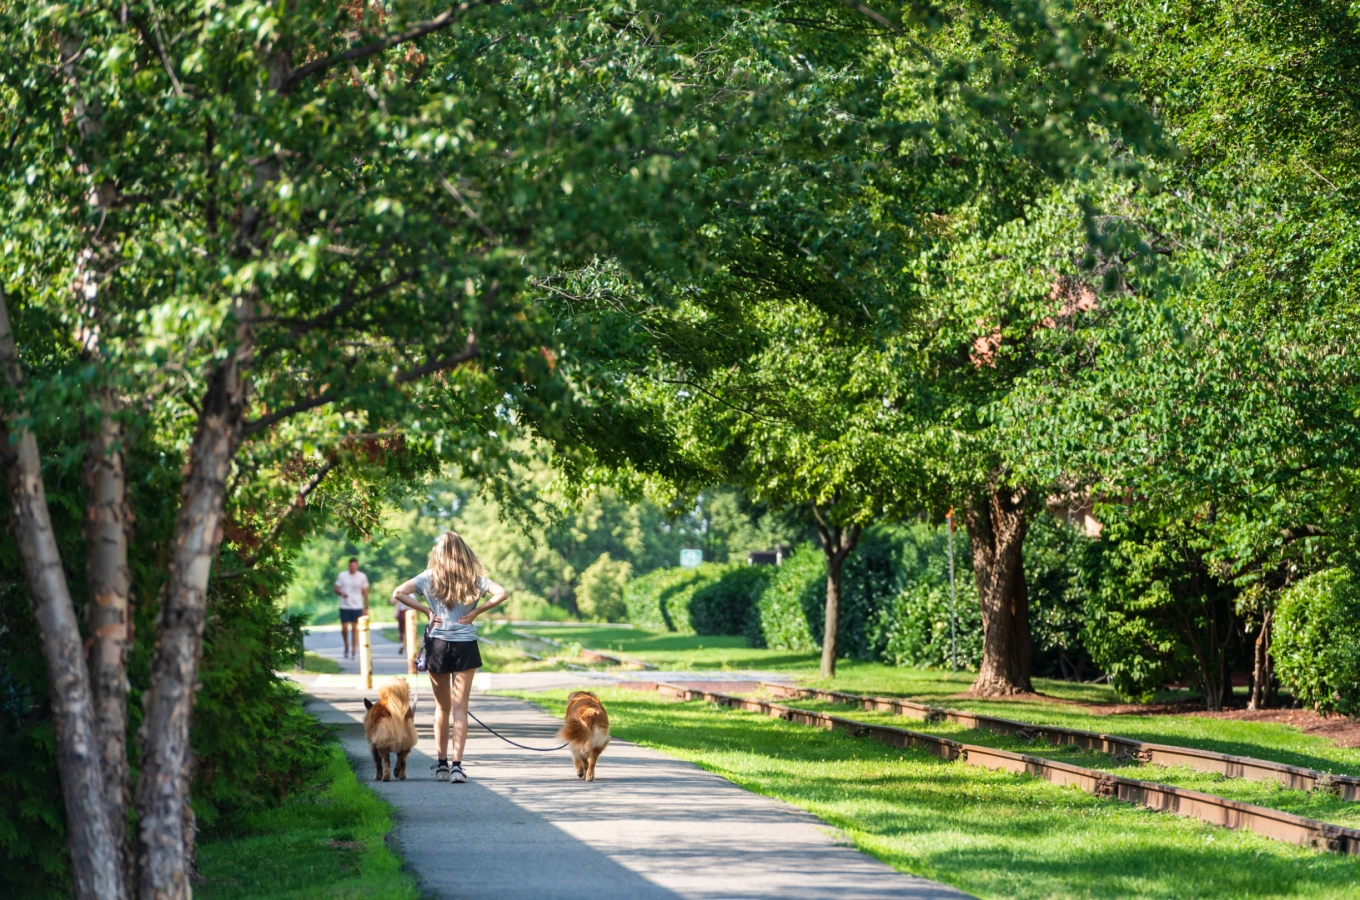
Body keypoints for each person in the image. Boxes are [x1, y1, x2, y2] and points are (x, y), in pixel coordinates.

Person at [392, 532, 509, 783]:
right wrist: (477, 610)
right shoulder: (474, 579)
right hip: (465, 644)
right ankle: (457, 766)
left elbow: (398, 593)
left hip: (438, 644)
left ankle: (442, 765)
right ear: (463, 551)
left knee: (442, 708)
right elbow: (503, 593)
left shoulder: (428, 577)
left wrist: (426, 610)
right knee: (460, 709)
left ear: (439, 552)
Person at [334, 557, 370, 659]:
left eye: (354, 565)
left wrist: (366, 607)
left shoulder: (362, 576)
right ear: (348, 566)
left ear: (357, 566)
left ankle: (354, 649)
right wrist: (341, 593)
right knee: (344, 628)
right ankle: (346, 645)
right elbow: (336, 588)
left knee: (355, 628)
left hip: (357, 605)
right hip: (344, 605)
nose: (352, 567)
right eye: (351, 565)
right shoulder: (342, 576)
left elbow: (366, 592)